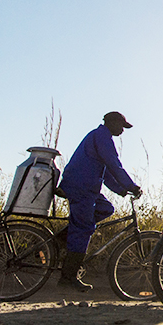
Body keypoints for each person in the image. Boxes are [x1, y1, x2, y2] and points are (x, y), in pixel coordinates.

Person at [56, 111, 142, 292]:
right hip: (81, 187)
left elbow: (106, 173)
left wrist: (122, 189)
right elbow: (113, 164)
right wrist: (132, 186)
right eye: (121, 126)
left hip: (87, 187)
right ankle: (68, 276)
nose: (122, 131)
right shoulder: (102, 136)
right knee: (84, 228)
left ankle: (62, 238)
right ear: (111, 122)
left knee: (106, 208)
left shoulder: (99, 136)